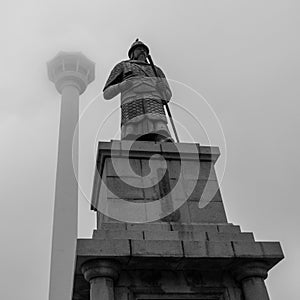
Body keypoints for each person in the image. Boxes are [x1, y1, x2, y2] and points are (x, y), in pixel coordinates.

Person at [103, 39, 173, 142]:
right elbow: (107, 93)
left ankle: (161, 137)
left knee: (158, 124)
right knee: (132, 128)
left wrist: (162, 88)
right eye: (139, 49)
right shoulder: (124, 66)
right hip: (132, 101)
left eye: (144, 50)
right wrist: (122, 86)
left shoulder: (156, 70)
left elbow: (167, 96)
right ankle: (130, 140)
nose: (142, 52)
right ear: (132, 53)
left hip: (153, 101)